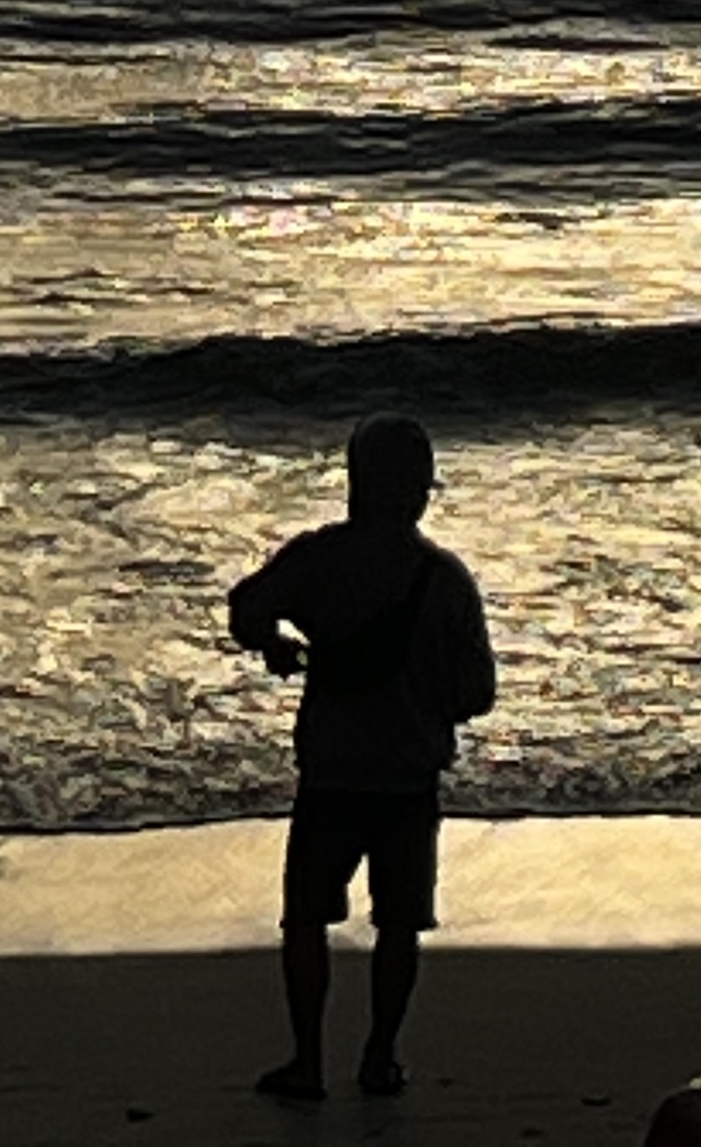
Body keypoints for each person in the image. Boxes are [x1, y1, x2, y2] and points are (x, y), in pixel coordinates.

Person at [227, 415, 499, 1106]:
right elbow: (477, 694)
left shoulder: (319, 560)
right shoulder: (444, 579)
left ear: (354, 482)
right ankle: (380, 1057)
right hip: (409, 778)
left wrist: (276, 646)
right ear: (418, 492)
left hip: (333, 773)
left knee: (305, 920)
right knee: (400, 926)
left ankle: (307, 1061)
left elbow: (245, 609)